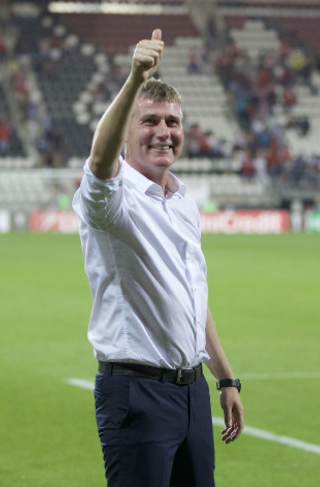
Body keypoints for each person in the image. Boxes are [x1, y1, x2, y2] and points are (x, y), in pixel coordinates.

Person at [72, 29, 244, 486]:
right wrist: (134, 81)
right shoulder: (111, 199)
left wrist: (225, 378)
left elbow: (191, 297)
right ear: (128, 130)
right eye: (149, 121)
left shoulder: (183, 200)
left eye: (172, 122)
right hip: (136, 390)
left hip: (192, 392)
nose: (164, 132)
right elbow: (100, 158)